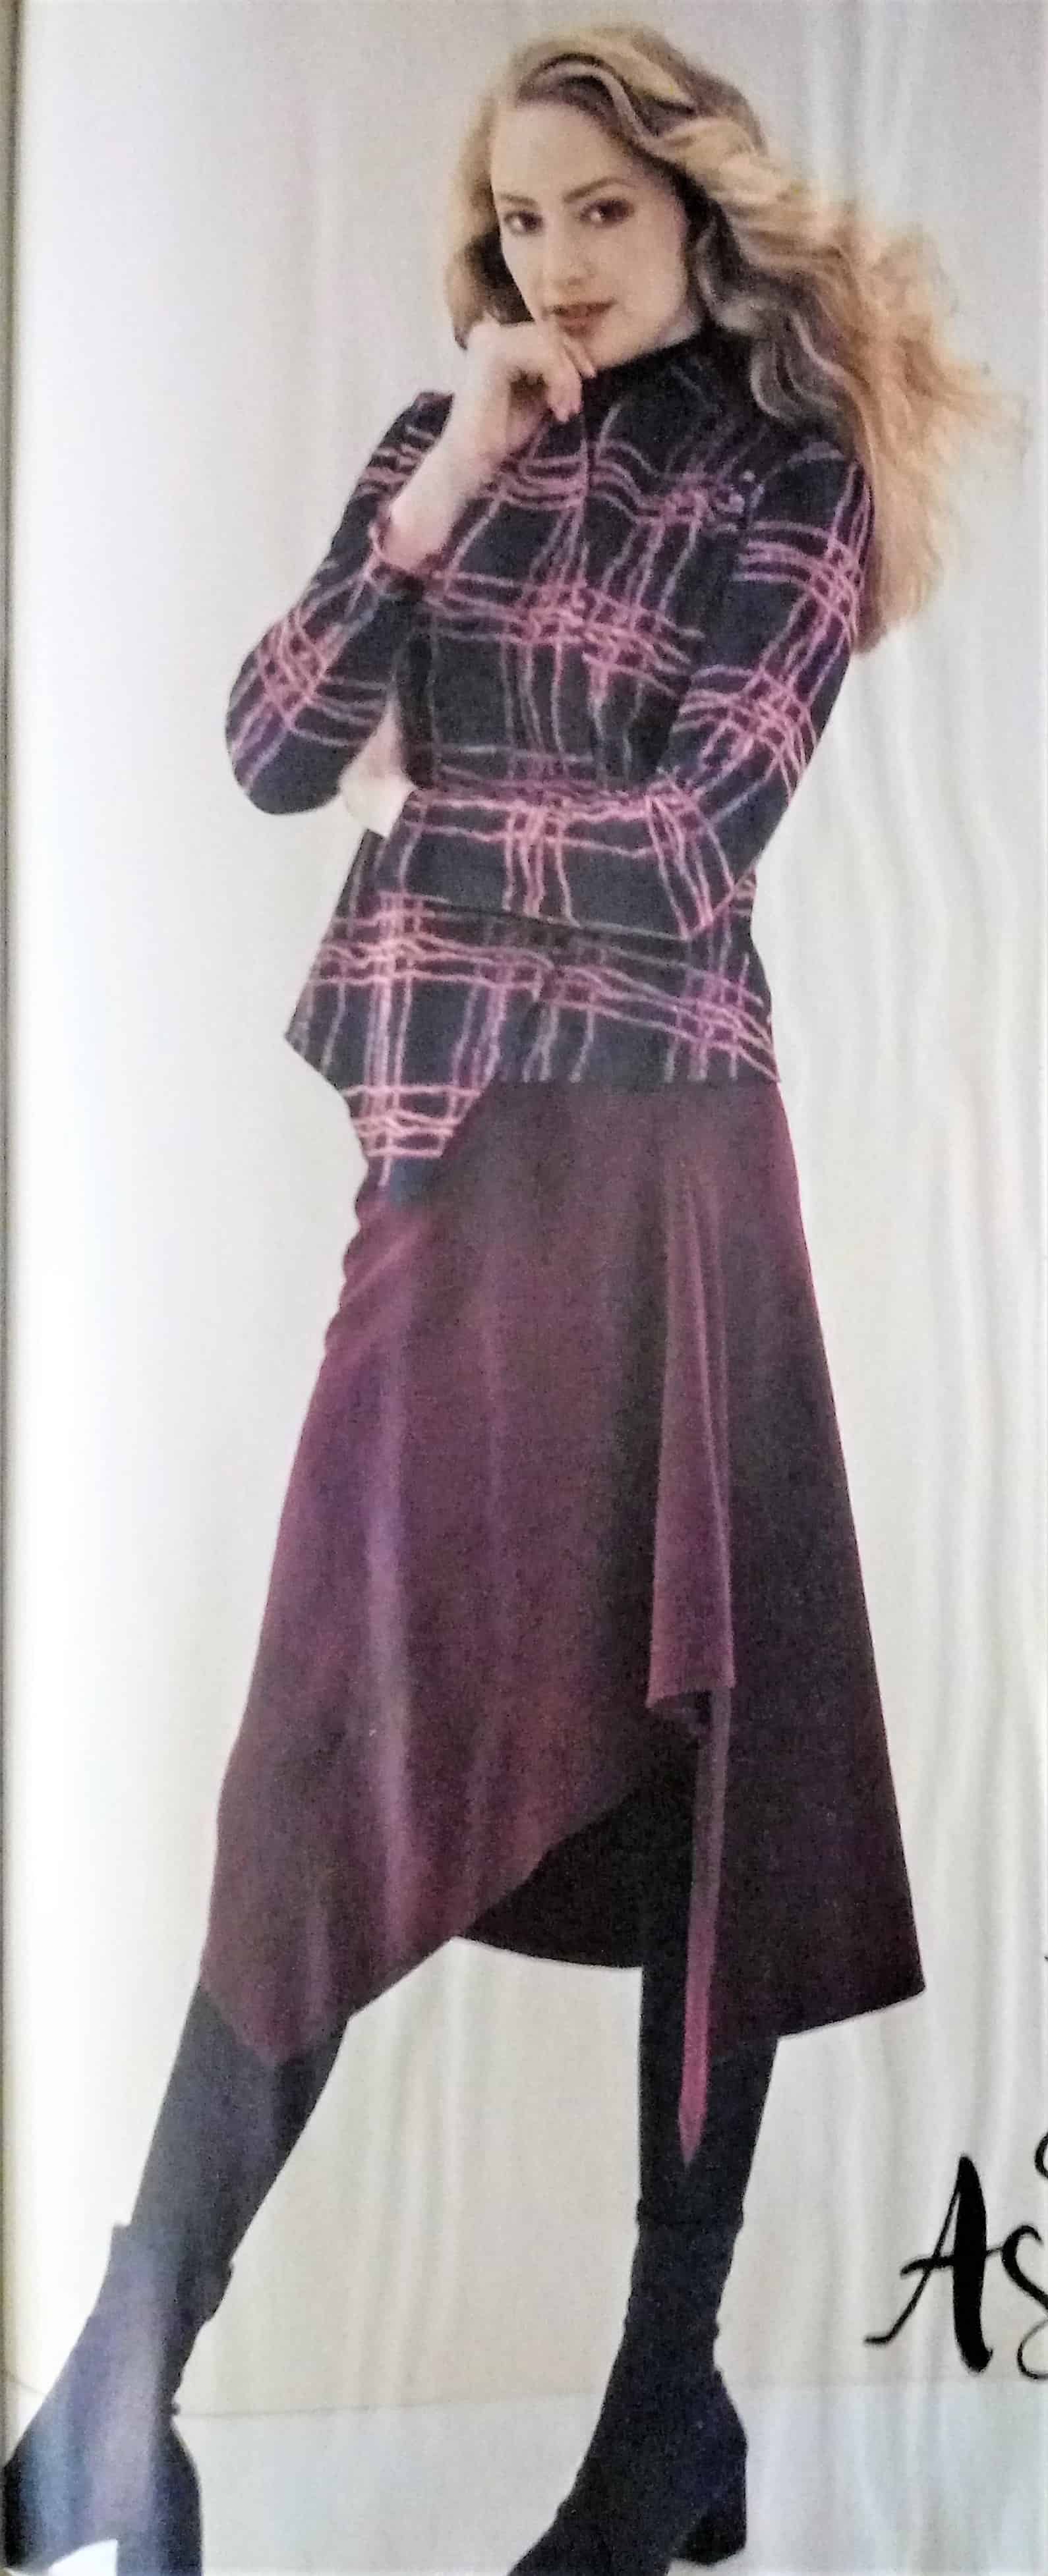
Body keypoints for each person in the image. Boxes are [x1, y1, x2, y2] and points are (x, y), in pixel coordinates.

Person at [2, 20, 1021, 2576]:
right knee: (315, 1753)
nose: (558, 259)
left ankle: (660, 2417)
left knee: (702, 1774)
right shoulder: (433, 447)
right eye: (522, 217)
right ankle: (130, 2377)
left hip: (663, 1174)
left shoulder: (785, 481)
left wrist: (434, 815)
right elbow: (267, 747)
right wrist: (442, 481)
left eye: (600, 210)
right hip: (448, 1171)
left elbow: (692, 846)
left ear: (691, 214)